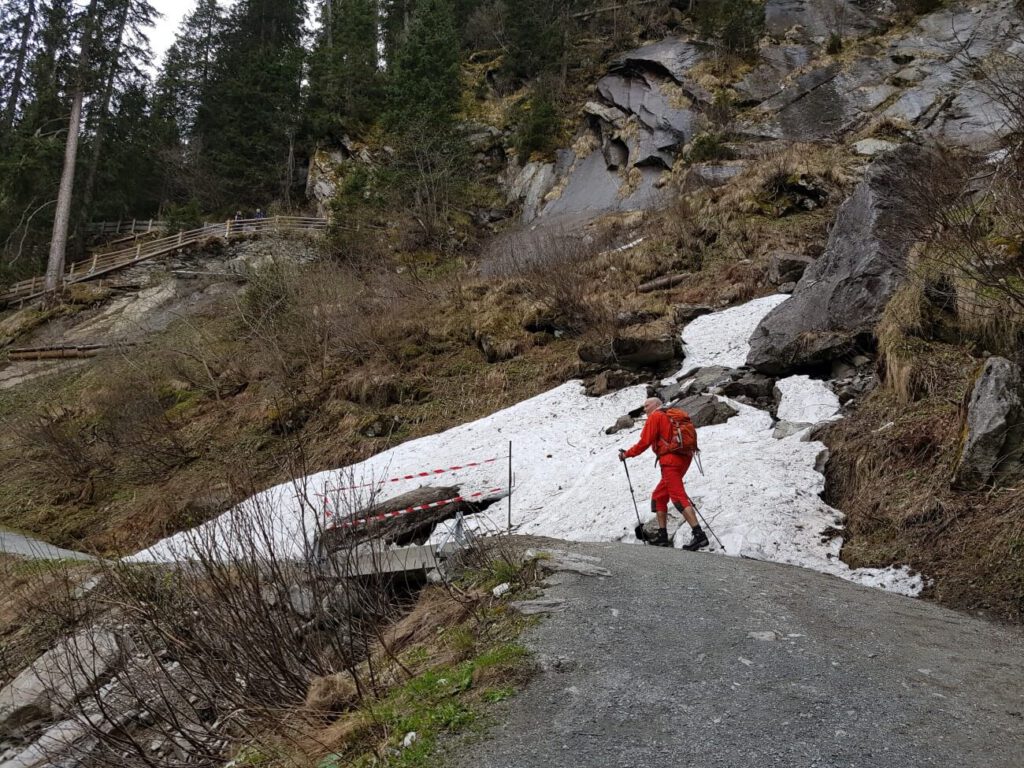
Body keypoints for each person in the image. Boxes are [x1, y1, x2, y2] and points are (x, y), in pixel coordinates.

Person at [619, 397, 709, 550]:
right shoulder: (673, 415)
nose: (645, 409)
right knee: (659, 496)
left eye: (647, 405)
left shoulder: (656, 416)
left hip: (670, 461)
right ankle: (662, 537)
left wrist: (626, 454)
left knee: (678, 497)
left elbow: (644, 442)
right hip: (684, 458)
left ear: (656, 405)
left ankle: (700, 536)